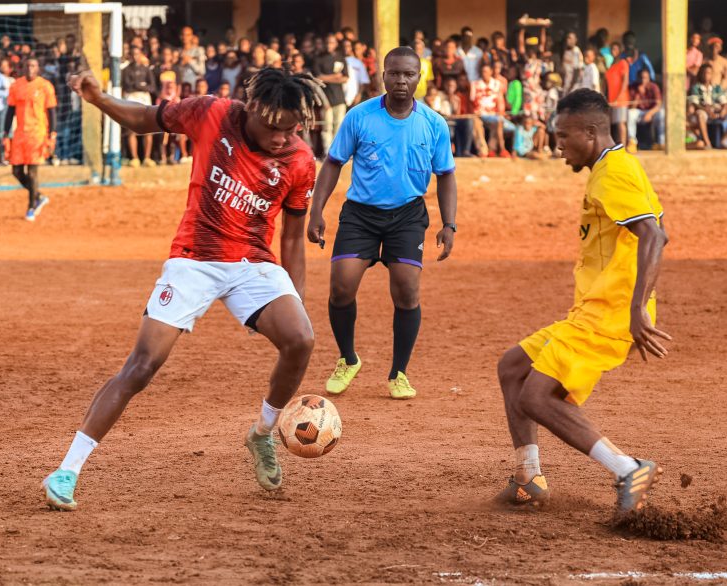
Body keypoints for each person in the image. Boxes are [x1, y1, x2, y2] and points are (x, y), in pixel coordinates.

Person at [42, 66, 325, 511]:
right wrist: (98, 98)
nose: (280, 139)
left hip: (253, 263)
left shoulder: (300, 161)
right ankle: (67, 469)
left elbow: (292, 236)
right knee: (142, 365)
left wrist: (294, 298)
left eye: (291, 130)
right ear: (251, 108)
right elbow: (144, 118)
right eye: (273, 127)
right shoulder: (211, 114)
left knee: (301, 339)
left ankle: (262, 434)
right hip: (194, 259)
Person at [496, 88, 668, 513]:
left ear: (590, 133)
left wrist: (635, 309)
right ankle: (529, 477)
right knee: (512, 367)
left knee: (535, 397)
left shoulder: (614, 173)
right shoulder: (611, 168)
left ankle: (629, 469)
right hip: (593, 308)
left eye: (562, 137)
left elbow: (654, 234)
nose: (557, 148)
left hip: (609, 313)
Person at [307, 47, 457, 400]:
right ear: (382, 75)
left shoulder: (433, 124)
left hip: (407, 214)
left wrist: (449, 224)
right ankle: (348, 359)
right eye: (394, 73)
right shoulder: (360, 117)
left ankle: (398, 373)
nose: (401, 81)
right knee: (341, 287)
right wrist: (317, 210)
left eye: (408, 74)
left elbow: (447, 175)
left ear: (419, 78)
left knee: (407, 291)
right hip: (360, 214)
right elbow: (332, 163)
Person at [2, 57, 56, 221]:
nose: (30, 68)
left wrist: (52, 134)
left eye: (33, 65)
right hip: (20, 134)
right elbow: (10, 111)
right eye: (27, 66)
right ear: (23, 68)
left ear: (38, 68)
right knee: (16, 171)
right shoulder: (16, 86)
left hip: (37, 133)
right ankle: (38, 196)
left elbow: (52, 112)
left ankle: (31, 207)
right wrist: (5, 134)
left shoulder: (45, 86)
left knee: (32, 173)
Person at [314, 33, 348, 156]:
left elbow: (345, 78)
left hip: (339, 99)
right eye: (327, 42)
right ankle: (328, 153)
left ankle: (337, 153)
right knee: (327, 128)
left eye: (332, 42)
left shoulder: (341, 58)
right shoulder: (319, 59)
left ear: (336, 44)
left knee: (339, 128)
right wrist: (335, 77)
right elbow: (318, 78)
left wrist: (326, 78)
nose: (329, 45)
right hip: (325, 99)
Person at [122, 46, 156, 167]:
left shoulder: (146, 70)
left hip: (144, 99)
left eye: (138, 54)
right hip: (131, 98)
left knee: (148, 130)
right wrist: (139, 85)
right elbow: (126, 86)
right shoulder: (126, 70)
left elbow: (152, 87)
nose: (136, 57)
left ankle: (147, 158)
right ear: (130, 56)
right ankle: (134, 158)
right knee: (131, 129)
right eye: (133, 54)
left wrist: (140, 86)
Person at [689, 63, 727, 149]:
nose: (706, 75)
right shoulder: (696, 88)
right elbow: (696, 104)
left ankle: (724, 140)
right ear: (701, 74)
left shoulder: (716, 88)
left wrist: (723, 110)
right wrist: (708, 111)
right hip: (704, 112)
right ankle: (707, 143)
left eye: (709, 73)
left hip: (716, 112)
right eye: (704, 72)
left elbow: (724, 102)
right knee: (700, 114)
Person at [627, 69, 665, 151]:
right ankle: (632, 142)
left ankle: (661, 143)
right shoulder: (633, 87)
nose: (643, 80)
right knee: (630, 114)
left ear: (649, 78)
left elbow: (658, 104)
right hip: (639, 112)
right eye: (641, 77)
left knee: (662, 114)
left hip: (652, 112)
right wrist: (637, 97)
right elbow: (631, 108)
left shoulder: (653, 87)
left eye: (645, 78)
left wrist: (650, 113)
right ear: (637, 78)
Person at [605, 43, 629, 146]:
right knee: (613, 124)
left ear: (619, 50)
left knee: (620, 123)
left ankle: (623, 146)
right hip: (611, 99)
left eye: (615, 48)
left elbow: (625, 82)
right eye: (612, 48)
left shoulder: (623, 63)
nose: (613, 50)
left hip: (621, 99)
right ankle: (616, 146)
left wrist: (618, 98)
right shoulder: (612, 65)